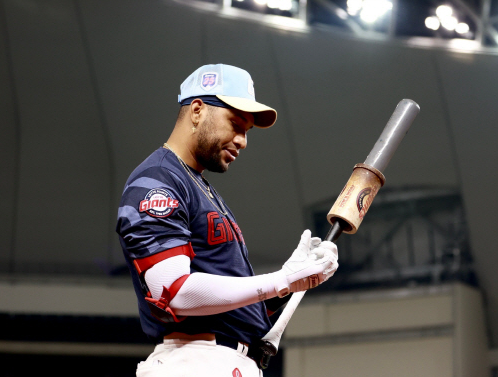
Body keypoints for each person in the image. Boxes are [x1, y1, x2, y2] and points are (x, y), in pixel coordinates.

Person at [117, 64, 339, 377]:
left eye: (246, 131)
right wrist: (280, 279)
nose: (243, 140)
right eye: (235, 124)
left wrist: (293, 281)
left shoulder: (199, 187)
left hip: (228, 362)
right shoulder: (158, 181)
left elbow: (240, 310)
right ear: (197, 111)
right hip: (193, 363)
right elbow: (176, 292)